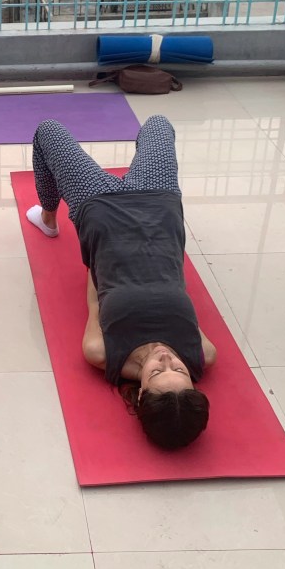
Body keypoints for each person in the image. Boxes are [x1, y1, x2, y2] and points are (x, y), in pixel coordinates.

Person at [27, 114, 216, 450]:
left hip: (98, 205)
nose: (165, 358)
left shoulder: (102, 352)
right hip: (158, 202)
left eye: (158, 372)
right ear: (192, 381)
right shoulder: (202, 353)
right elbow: (177, 282)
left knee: (48, 131)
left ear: (141, 392)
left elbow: (95, 300)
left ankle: (48, 217)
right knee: (159, 124)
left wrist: (100, 248)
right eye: (180, 370)